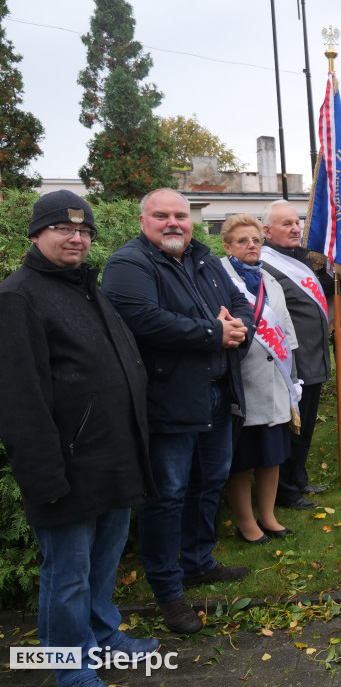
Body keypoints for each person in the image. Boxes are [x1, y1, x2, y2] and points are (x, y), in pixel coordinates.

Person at [0, 192, 158, 687]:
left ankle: (104, 637)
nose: (76, 238)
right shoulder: (18, 296)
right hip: (65, 470)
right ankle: (69, 669)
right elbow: (18, 398)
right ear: (36, 234)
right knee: (66, 576)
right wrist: (43, 477)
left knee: (102, 565)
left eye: (85, 231)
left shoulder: (86, 287)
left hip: (112, 459)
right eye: (64, 230)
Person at [102, 188, 254, 635]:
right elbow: (143, 319)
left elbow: (240, 301)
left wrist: (237, 325)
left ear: (192, 221)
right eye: (162, 215)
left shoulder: (204, 259)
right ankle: (168, 590)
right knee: (167, 495)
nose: (173, 223)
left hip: (216, 395)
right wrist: (213, 331)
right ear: (143, 220)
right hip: (168, 400)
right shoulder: (129, 264)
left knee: (209, 483)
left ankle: (199, 562)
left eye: (180, 216)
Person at [220, 215, 300, 545]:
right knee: (242, 459)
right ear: (227, 246)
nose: (251, 245)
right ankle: (246, 521)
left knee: (271, 455)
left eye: (255, 240)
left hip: (274, 381)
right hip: (242, 381)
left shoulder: (270, 280)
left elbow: (285, 331)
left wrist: (293, 377)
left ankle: (267, 515)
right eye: (242, 241)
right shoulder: (218, 278)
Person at [260, 200, 332, 511]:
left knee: (308, 426)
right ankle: (286, 492)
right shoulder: (264, 264)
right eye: (286, 223)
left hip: (314, 357)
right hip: (292, 363)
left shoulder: (297, 259)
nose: (296, 228)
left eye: (297, 222)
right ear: (267, 230)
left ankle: (298, 479)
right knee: (293, 428)